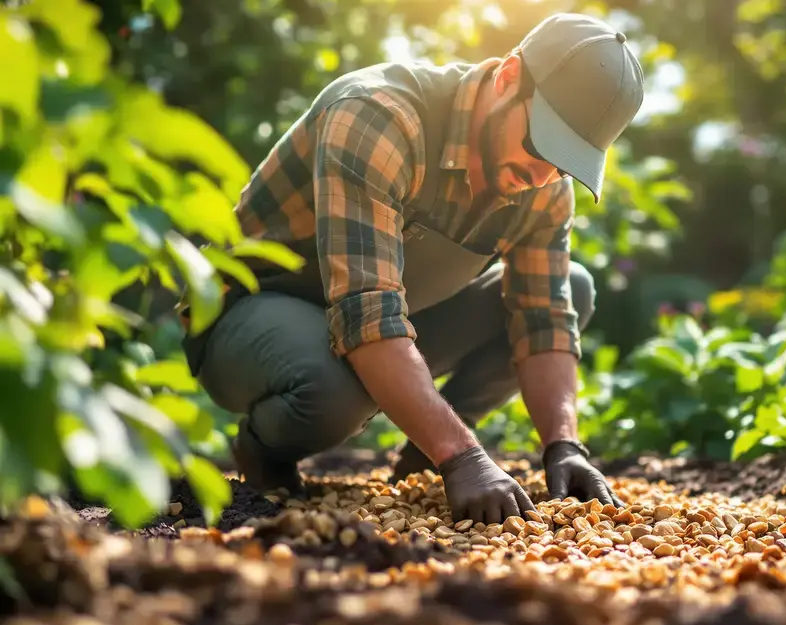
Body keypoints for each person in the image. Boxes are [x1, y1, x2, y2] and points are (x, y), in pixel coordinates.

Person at [177, 13, 642, 525]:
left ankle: (422, 456)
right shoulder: (377, 116)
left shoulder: (543, 187)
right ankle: (262, 450)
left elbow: (543, 320)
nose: (542, 175)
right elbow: (367, 316)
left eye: (566, 162)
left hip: (381, 318)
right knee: (336, 389)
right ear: (508, 77)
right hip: (249, 314)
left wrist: (564, 445)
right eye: (542, 144)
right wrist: (463, 458)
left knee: (573, 287)